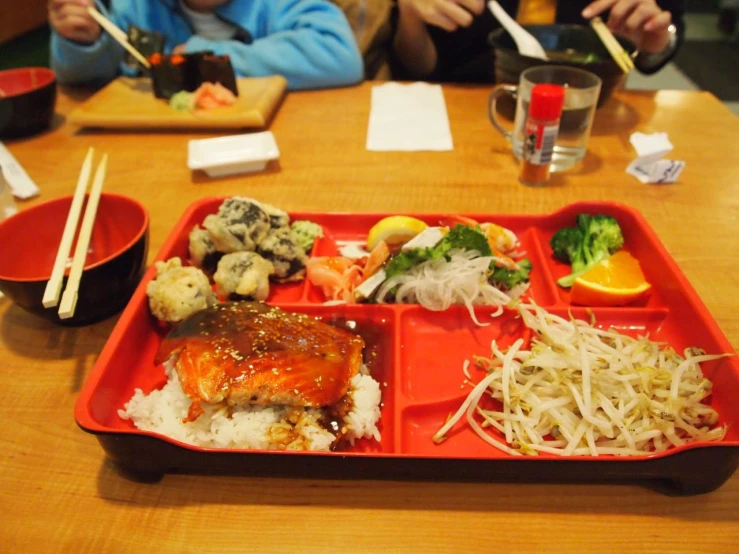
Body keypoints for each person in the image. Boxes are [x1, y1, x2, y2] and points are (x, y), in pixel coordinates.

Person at [49, 0, 365, 90]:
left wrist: (204, 60)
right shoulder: (136, 8)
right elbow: (86, 80)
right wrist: (83, 42)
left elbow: (339, 54)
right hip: (162, 155)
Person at [392, 0, 685, 81]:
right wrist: (409, 14)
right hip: (460, 108)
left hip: (590, 114)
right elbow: (421, 69)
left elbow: (658, 47)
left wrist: (653, 43)